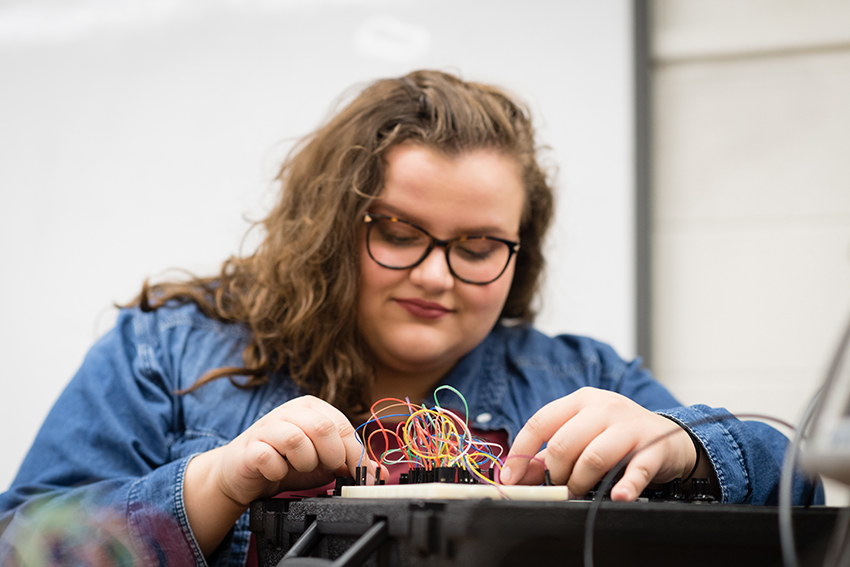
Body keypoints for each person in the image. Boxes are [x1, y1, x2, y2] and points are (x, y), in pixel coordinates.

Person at [0, 70, 821, 566]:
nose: (436, 274)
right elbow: (23, 543)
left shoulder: (583, 376)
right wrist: (214, 483)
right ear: (330, 224)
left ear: (518, 253)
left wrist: (687, 449)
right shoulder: (167, 353)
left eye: (478, 245)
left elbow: (801, 492)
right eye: (397, 232)